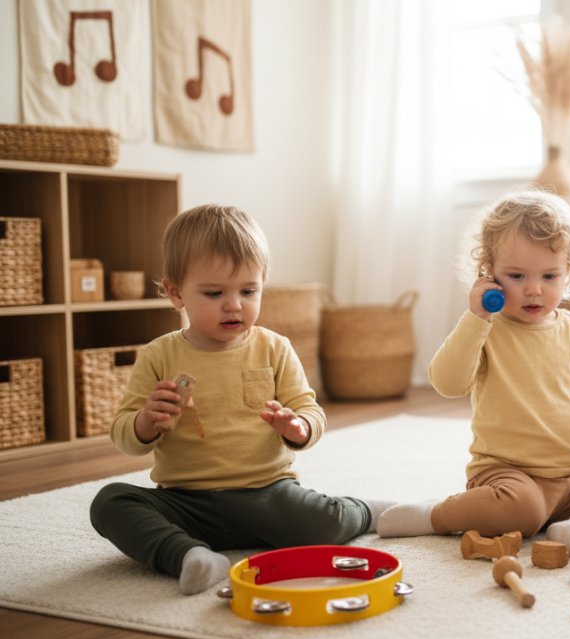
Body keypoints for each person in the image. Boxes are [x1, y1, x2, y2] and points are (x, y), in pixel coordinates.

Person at [89, 204, 393, 595]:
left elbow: (310, 410)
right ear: (175, 293)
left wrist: (297, 427)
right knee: (110, 502)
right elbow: (123, 434)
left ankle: (365, 512)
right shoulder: (157, 356)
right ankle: (188, 555)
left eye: (249, 291)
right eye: (214, 293)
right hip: (186, 503)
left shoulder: (274, 347)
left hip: (266, 494)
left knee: (322, 523)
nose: (234, 304)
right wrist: (145, 422)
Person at [377, 191, 570, 552]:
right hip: (508, 477)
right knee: (521, 510)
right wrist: (476, 318)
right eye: (517, 275)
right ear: (488, 274)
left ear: (569, 273)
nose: (534, 289)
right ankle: (436, 514)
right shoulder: (484, 328)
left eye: (550, 276)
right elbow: (447, 383)